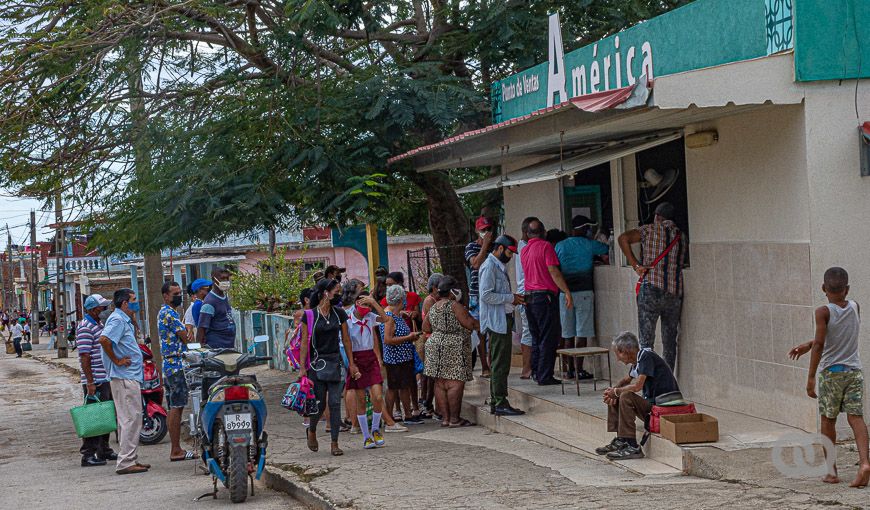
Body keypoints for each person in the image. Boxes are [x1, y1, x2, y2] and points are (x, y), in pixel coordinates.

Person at [788, 267, 870, 487]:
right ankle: (864, 463)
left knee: (828, 420)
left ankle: (832, 472)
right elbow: (838, 334)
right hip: (853, 372)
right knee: (856, 417)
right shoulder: (855, 306)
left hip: (831, 374)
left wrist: (811, 377)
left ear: (824, 288)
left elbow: (821, 344)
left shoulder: (822, 311)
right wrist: (808, 344)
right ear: (847, 289)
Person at [618, 202, 687, 369]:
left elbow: (623, 239)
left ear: (657, 216)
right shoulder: (681, 236)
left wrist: (635, 265)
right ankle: (668, 382)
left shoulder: (649, 230)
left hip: (651, 290)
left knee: (646, 341)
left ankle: (647, 379)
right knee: (670, 340)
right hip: (674, 291)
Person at [596, 331, 681, 461]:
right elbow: (626, 380)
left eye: (618, 354)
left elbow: (637, 386)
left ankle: (632, 445)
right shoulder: (638, 362)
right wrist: (612, 391)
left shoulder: (646, 356)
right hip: (654, 408)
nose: (618, 359)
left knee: (625, 396)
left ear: (626, 351)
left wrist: (617, 392)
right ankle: (621, 440)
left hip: (663, 409)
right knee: (618, 395)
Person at [299, 278, 358, 456]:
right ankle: (312, 430)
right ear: (326, 292)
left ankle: (334, 443)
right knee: (319, 403)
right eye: (336, 291)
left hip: (335, 362)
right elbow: (303, 343)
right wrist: (302, 367)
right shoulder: (309, 315)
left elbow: (346, 340)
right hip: (316, 365)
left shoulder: (339, 313)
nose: (338, 294)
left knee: (334, 402)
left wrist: (352, 363)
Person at [98, 289, 148, 475]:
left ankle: (129, 457)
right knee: (131, 418)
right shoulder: (117, 320)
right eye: (134, 300)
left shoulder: (123, 319)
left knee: (128, 419)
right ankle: (126, 461)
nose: (137, 303)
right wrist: (117, 360)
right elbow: (104, 340)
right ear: (125, 303)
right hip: (125, 376)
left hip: (128, 375)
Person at [555, 215, 609, 380]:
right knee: (582, 333)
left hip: (565, 294)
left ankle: (568, 369)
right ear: (584, 229)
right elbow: (606, 249)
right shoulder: (589, 244)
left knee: (567, 333)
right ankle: (579, 370)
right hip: (584, 292)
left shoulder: (560, 246)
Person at [520, 219, 573, 386]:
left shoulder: (525, 249)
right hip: (545, 297)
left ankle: (537, 372)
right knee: (549, 336)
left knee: (536, 337)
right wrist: (567, 291)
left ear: (527, 234)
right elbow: (553, 271)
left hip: (529, 297)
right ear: (543, 232)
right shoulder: (545, 247)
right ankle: (544, 375)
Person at [479, 235, 525, 416]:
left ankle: (497, 400)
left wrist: (512, 299)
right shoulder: (489, 267)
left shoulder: (499, 266)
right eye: (509, 251)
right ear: (499, 248)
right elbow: (486, 295)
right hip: (496, 321)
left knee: (501, 362)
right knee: (500, 363)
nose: (511, 256)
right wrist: (510, 298)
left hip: (504, 318)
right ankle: (499, 401)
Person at [423, 276, 478, 427]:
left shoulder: (434, 306)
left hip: (435, 345)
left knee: (440, 383)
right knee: (455, 383)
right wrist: (478, 324)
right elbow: (469, 323)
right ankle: (454, 419)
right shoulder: (454, 305)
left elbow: (425, 327)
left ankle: (446, 419)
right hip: (453, 346)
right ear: (453, 291)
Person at [344, 288, 391, 448]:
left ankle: (376, 429)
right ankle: (366, 436)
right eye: (365, 304)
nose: (367, 309)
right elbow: (347, 343)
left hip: (370, 358)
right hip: (357, 359)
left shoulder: (371, 317)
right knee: (361, 400)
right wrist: (352, 364)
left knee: (377, 396)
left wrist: (373, 303)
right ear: (357, 303)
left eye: (369, 306)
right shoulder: (348, 320)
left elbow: (385, 319)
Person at [158, 281, 198, 462]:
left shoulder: (169, 313)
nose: (178, 296)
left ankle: (176, 448)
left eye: (180, 292)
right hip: (176, 365)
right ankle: (176, 450)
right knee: (177, 406)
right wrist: (190, 331)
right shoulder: (169, 314)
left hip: (171, 365)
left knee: (174, 406)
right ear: (166, 296)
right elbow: (187, 338)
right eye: (175, 293)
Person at [76, 294, 117, 467]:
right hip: (96, 379)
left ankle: (104, 449)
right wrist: (90, 382)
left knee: (106, 415)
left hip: (104, 376)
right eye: (101, 308)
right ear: (93, 309)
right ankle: (88, 454)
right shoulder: (85, 327)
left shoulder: (98, 325)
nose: (104, 310)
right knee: (94, 417)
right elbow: (85, 357)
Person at [380, 284, 424, 425]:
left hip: (402, 357)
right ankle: (389, 417)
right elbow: (388, 339)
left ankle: (408, 414)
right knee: (393, 388)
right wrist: (409, 337)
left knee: (404, 386)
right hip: (395, 359)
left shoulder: (393, 314)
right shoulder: (389, 316)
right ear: (400, 300)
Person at [465, 215, 495, 376]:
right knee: (480, 331)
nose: (486, 232)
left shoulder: (496, 247)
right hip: (477, 295)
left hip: (493, 293)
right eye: (483, 230)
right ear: (477, 231)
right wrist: (485, 246)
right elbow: (475, 264)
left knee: (494, 330)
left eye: (488, 229)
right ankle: (485, 366)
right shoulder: (471, 247)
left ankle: (493, 363)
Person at [515, 217, 538, 379]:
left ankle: (529, 367)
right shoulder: (525, 247)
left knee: (529, 331)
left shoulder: (522, 246)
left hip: (526, 292)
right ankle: (526, 368)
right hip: (527, 293)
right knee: (528, 332)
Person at [196, 266, 237, 349]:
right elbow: (201, 328)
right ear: (214, 279)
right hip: (216, 349)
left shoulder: (224, 296)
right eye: (222, 278)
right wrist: (200, 347)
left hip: (228, 347)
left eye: (227, 278)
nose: (225, 281)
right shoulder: (210, 302)